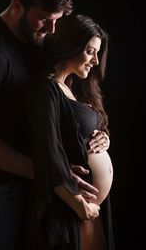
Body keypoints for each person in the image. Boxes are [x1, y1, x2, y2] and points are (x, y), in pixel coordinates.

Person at [0, 0, 110, 250]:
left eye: (57, 20)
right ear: (16, 6)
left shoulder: (37, 39)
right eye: (44, 19)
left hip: (31, 184)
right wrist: (51, 172)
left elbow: (64, 107)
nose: (52, 29)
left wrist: (98, 134)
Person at [27, 14, 115, 250]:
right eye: (89, 51)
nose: (95, 60)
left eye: (97, 53)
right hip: (73, 205)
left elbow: (83, 132)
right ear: (70, 44)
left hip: (90, 208)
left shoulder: (74, 88)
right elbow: (47, 153)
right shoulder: (47, 90)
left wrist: (103, 138)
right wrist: (78, 204)